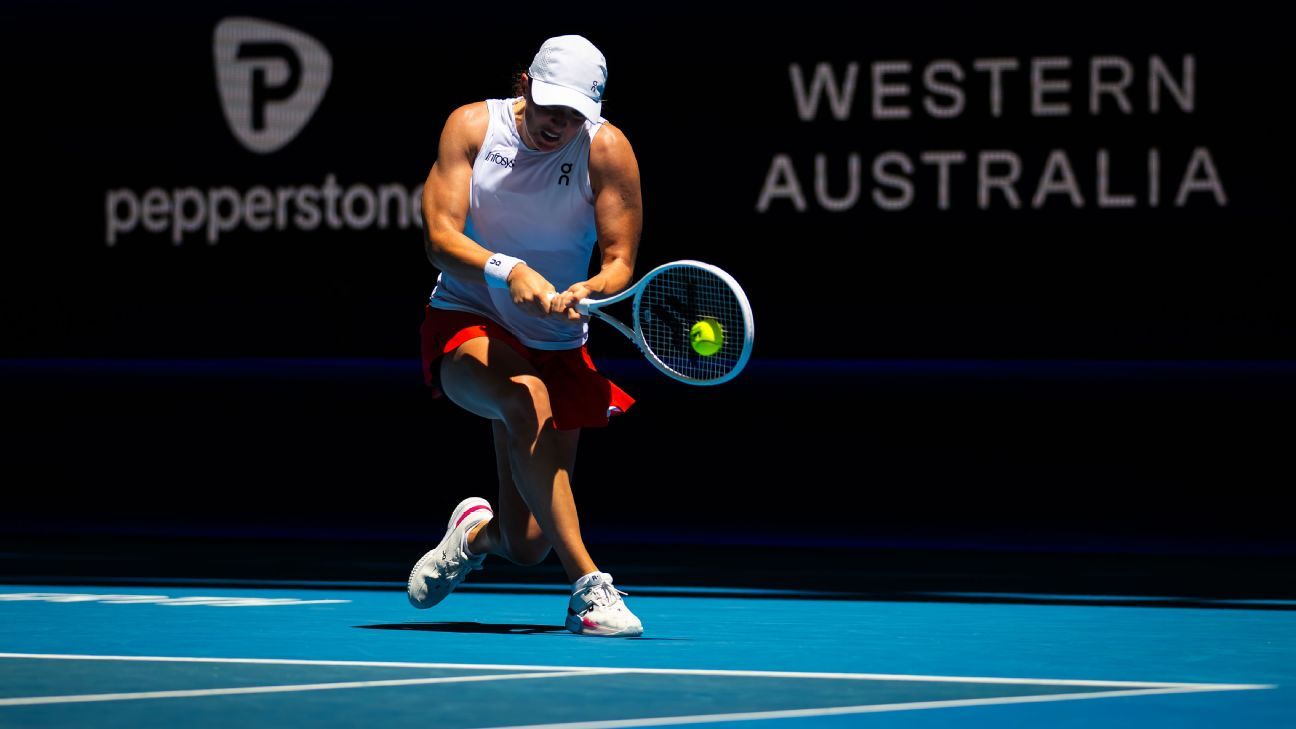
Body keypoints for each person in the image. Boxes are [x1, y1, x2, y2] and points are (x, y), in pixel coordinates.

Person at [406, 35, 644, 637]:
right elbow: (439, 237)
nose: (557, 124)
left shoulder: (608, 149)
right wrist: (507, 270)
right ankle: (590, 589)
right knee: (524, 396)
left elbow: (619, 262)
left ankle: (475, 534)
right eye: (549, 106)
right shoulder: (470, 127)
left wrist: (588, 290)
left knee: (528, 541)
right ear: (525, 85)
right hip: (467, 313)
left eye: (574, 115)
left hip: (555, 336)